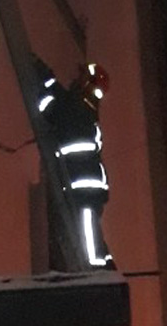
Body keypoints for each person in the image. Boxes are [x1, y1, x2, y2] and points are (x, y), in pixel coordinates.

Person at [32, 57, 115, 269]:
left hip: (81, 185)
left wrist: (44, 79)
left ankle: (96, 268)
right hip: (87, 184)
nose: (75, 78)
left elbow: (54, 110)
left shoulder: (77, 108)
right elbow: (59, 105)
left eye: (80, 77)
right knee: (90, 229)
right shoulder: (87, 110)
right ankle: (104, 265)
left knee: (88, 233)